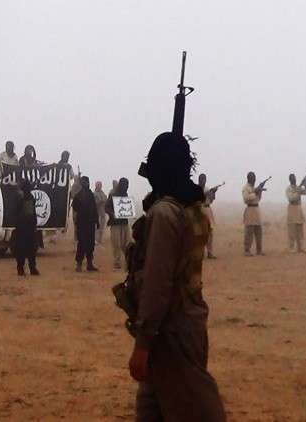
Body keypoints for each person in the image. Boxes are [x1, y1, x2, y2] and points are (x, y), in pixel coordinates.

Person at [129, 132, 226, 422]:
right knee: (152, 410)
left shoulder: (165, 214)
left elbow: (157, 285)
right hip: (189, 324)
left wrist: (143, 343)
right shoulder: (193, 208)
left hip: (170, 331)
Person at [72, 176, 100, 272]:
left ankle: (89, 264)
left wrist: (97, 221)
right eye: (84, 182)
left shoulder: (90, 194)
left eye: (86, 182)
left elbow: (94, 208)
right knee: (82, 244)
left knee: (90, 244)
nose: (86, 184)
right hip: (82, 223)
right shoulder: (78, 195)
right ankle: (79, 264)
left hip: (90, 223)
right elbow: (75, 207)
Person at [14, 179, 39, 276]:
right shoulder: (20, 198)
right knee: (22, 249)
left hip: (29, 226)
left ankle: (31, 268)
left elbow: (33, 212)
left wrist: (34, 224)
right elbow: (17, 212)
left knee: (31, 249)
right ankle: (21, 268)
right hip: (22, 227)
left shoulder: (31, 197)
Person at [106, 177, 132, 269]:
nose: (126, 187)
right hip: (115, 223)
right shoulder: (113, 195)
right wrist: (112, 214)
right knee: (116, 243)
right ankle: (117, 261)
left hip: (124, 222)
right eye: (125, 185)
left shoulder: (126, 195)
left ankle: (128, 260)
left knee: (126, 242)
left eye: (127, 185)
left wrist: (130, 212)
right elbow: (107, 207)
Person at [242, 172, 264, 256]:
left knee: (259, 232)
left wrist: (260, 191)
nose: (254, 180)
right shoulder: (246, 188)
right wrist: (255, 192)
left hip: (256, 210)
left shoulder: (254, 188)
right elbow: (246, 198)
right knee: (249, 232)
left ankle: (259, 250)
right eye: (252, 178)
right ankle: (247, 250)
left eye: (254, 178)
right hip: (250, 210)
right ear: (248, 179)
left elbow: (258, 199)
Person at [286, 173, 306, 253]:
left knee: (300, 230)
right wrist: (298, 191)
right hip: (292, 209)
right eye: (292, 178)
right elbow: (291, 198)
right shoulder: (288, 189)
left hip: (299, 209)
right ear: (290, 180)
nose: (294, 179)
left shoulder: (297, 187)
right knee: (292, 230)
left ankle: (301, 247)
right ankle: (291, 247)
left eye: (295, 178)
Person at [198, 174, 220, 259]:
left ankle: (210, 252)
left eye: (204, 179)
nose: (203, 181)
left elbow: (211, 200)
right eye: (202, 179)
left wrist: (213, 193)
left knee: (210, 232)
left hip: (207, 209)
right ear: (199, 180)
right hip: (199, 210)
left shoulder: (207, 188)